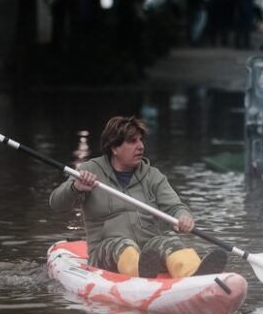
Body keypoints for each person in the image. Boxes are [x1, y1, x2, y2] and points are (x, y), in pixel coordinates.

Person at [50, 116, 226, 278]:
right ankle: (139, 272)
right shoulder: (89, 171)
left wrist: (182, 216)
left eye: (141, 140)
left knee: (168, 240)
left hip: (149, 248)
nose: (140, 146)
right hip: (106, 250)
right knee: (124, 245)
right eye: (132, 141)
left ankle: (193, 274)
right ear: (114, 148)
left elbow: (174, 207)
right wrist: (76, 188)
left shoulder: (152, 176)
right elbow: (57, 204)